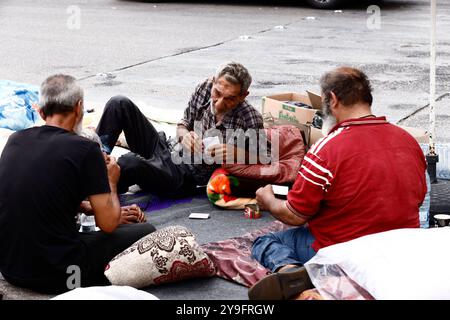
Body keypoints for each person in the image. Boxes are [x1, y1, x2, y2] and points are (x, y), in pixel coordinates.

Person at [248, 67, 427, 300]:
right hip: (399, 250)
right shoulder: (408, 141)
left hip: (344, 253)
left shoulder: (328, 149)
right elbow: (418, 198)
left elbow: (295, 215)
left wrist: (269, 201)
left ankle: (292, 271)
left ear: (332, 100)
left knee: (266, 241)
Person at [0, 74, 156, 294]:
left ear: (42, 111)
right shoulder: (85, 149)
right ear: (78, 107)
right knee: (146, 231)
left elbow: (39, 194)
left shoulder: (15, 140)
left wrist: (86, 207)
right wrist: (112, 181)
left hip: (11, 268)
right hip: (62, 273)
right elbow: (108, 225)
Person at [96, 61, 265, 197]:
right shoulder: (204, 88)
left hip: (182, 175)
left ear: (243, 96)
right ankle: (91, 162)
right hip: (166, 147)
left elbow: (265, 158)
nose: (219, 103)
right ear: (213, 81)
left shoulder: (250, 118)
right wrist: (184, 135)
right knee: (119, 103)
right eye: (217, 93)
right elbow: (182, 124)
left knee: (129, 163)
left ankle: (93, 189)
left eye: (230, 99)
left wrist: (236, 153)